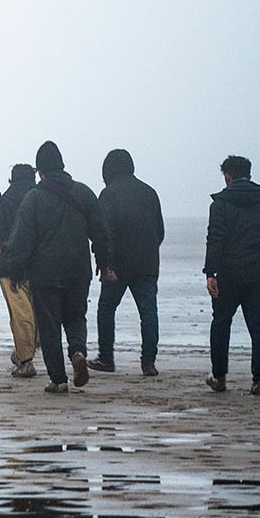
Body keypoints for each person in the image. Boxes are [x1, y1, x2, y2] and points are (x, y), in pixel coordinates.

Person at [0, 142, 109, 395]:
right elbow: (101, 233)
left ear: (40, 171)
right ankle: (78, 351)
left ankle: (59, 380)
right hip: (78, 270)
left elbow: (21, 241)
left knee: (50, 327)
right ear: (62, 165)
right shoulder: (83, 193)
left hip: (45, 274)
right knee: (75, 316)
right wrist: (103, 264)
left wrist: (15, 273)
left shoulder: (34, 199)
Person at [205, 155, 260, 396]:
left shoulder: (220, 204)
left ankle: (220, 377)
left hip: (227, 276)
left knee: (221, 324)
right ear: (250, 176)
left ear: (227, 177)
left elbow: (215, 239)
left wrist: (210, 273)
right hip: (258, 275)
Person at [94, 149, 164, 376]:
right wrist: (149, 251)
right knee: (148, 312)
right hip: (147, 263)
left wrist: (106, 265)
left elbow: (103, 233)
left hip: (118, 264)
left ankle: (106, 358)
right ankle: (148, 362)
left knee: (106, 308)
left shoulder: (108, 194)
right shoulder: (150, 192)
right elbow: (159, 231)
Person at [0, 163, 38, 378]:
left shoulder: (3, 201)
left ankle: (26, 359)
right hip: (40, 264)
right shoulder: (41, 198)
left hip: (9, 265)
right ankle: (26, 350)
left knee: (20, 314)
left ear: (11, 179)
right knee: (37, 311)